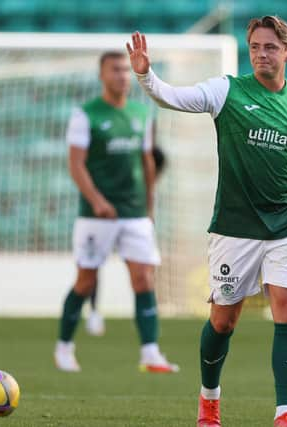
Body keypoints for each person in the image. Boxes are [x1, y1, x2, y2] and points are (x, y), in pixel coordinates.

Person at [127, 15, 287, 427]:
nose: (261, 54)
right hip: (234, 228)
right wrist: (147, 77)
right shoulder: (227, 91)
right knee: (223, 320)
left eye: (270, 47)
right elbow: (174, 98)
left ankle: (285, 412)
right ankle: (209, 402)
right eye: (255, 47)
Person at [54, 51, 178, 374]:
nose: (123, 75)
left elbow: (147, 161)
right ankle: (64, 347)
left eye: (125, 70)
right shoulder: (86, 115)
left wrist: (150, 204)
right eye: (115, 70)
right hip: (98, 215)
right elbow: (76, 164)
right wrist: (96, 199)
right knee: (85, 281)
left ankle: (151, 352)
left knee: (143, 278)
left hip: (134, 212)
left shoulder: (142, 113)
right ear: (102, 75)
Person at [84, 144, 167, 337]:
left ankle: (145, 319)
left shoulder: (144, 145)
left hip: (134, 216)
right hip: (106, 212)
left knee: (144, 270)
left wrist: (148, 211)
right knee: (92, 266)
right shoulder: (114, 155)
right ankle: (94, 312)